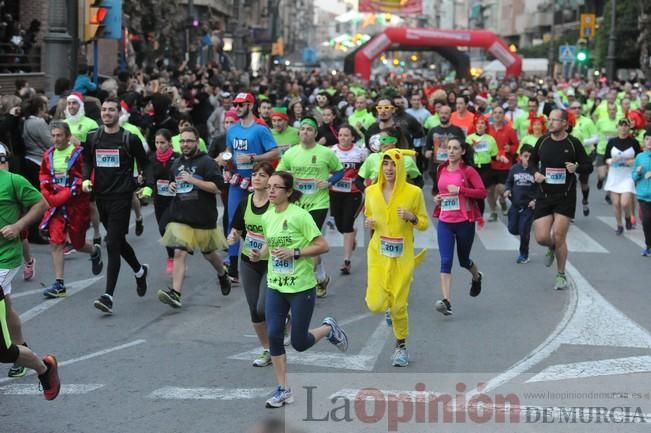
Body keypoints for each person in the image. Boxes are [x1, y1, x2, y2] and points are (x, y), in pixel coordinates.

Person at [250, 171, 348, 408]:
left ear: (288, 192)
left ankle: (328, 328)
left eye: (276, 187)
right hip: (276, 284)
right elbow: (269, 244)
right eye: (269, 186)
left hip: (301, 286)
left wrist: (295, 252)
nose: (270, 190)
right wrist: (259, 254)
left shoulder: (300, 216)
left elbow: (322, 245)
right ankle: (283, 389)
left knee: (299, 343)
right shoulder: (268, 215)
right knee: (274, 335)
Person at [0, 143, 60, 397]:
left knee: (3, 351)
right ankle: (22, 347)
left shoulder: (13, 181)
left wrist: (18, 225)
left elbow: (41, 204)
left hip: (4, 258)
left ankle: (43, 368)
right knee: (7, 303)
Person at [82, 97, 150, 314]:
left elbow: (146, 164)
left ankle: (108, 296)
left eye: (111, 110)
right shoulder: (93, 138)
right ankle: (139, 271)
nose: (107, 113)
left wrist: (145, 184)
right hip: (101, 197)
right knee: (118, 240)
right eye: (104, 109)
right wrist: (85, 178)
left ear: (119, 114)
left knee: (112, 243)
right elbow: (87, 161)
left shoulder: (129, 139)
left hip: (122, 197)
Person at [364, 149, 428, 367]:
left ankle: (401, 347)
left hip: (402, 255)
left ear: (400, 167)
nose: (389, 169)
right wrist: (369, 223)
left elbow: (424, 223)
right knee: (375, 304)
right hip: (378, 253)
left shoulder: (414, 193)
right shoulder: (371, 192)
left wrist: (411, 217)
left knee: (400, 305)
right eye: (385, 164)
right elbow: (368, 215)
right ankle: (389, 309)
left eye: (393, 165)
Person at [157, 127, 231, 308]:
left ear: (197, 142)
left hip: (203, 217)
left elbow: (216, 187)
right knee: (179, 252)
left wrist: (194, 181)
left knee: (209, 255)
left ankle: (223, 274)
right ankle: (176, 294)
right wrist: (173, 187)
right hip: (181, 216)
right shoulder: (176, 164)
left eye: (189, 141)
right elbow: (174, 184)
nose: (185, 145)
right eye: (182, 141)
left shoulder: (207, 162)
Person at [276, 116, 344, 298]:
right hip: (296, 205)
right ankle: (321, 277)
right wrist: (286, 176)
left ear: (315, 133)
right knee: (308, 244)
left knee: (308, 242)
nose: (305, 132)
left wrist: (329, 182)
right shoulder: (290, 154)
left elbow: (340, 171)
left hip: (318, 204)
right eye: (303, 129)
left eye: (309, 129)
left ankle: (302, 282)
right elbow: (279, 173)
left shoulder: (325, 153)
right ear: (299, 133)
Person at [39, 121, 103, 298]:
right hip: (56, 208)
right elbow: (44, 174)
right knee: (57, 242)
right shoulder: (48, 155)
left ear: (67, 136)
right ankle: (59, 283)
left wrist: (70, 192)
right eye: (53, 136)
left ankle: (94, 251)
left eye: (59, 135)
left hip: (76, 206)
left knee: (77, 243)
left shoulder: (79, 154)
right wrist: (46, 190)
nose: (56, 139)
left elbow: (86, 175)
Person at [530, 109, 593, 290]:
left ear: (565, 123)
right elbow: (531, 162)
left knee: (559, 236)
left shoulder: (573, 144)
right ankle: (551, 247)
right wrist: (535, 173)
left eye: (554, 120)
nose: (550, 123)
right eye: (549, 120)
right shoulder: (543, 141)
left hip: (565, 197)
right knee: (542, 237)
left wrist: (577, 167)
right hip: (544, 195)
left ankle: (561, 274)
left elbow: (588, 165)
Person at [220, 92, 279, 284]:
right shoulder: (233, 130)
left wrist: (253, 158)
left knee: (262, 222)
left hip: (258, 182)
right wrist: (226, 157)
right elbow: (230, 150)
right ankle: (233, 266)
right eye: (235, 105)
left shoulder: (260, 129)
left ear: (250, 105)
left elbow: (275, 152)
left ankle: (264, 258)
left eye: (241, 104)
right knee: (233, 220)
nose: (237, 108)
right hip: (238, 181)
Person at [227, 162, 274, 366]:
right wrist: (233, 237)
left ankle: (283, 317)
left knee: (264, 307)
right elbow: (237, 228)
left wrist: (263, 251)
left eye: (262, 175)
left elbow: (282, 235)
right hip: (248, 261)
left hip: (271, 261)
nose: (256, 178)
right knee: (254, 309)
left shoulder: (276, 205)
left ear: (270, 181)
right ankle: (267, 349)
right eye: (254, 174)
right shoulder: (245, 203)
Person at [432, 138, 486, 316]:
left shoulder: (468, 171)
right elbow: (439, 191)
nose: (451, 151)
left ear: (463, 151)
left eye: (455, 148)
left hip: (464, 221)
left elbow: (481, 192)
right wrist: (437, 199)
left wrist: (461, 190)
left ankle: (476, 276)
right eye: (449, 148)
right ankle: (447, 301)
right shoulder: (441, 168)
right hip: (445, 221)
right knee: (446, 261)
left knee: (463, 260)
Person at [330, 124, 367, 274]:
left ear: (352, 137)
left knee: (347, 224)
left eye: (346, 135)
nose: (343, 138)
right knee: (340, 226)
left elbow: (365, 170)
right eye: (341, 135)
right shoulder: (332, 151)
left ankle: (346, 261)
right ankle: (352, 235)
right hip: (335, 192)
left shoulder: (360, 152)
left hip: (353, 193)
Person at [143, 129, 179, 274]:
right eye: (157, 143)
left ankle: (175, 256)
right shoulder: (151, 158)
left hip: (176, 200)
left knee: (167, 227)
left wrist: (174, 182)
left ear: (169, 143)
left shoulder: (177, 158)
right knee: (162, 230)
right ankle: (172, 254)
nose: (159, 145)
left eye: (162, 142)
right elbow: (150, 176)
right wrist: (145, 185)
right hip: (160, 199)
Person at [604, 118, 641, 234]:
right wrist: (611, 160)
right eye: (621, 125)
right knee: (616, 203)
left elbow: (640, 158)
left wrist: (633, 161)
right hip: (614, 175)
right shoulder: (611, 142)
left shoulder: (634, 142)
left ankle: (628, 217)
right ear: (617, 127)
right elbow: (606, 158)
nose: (623, 128)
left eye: (626, 126)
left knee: (624, 202)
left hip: (627, 176)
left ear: (629, 127)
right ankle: (619, 225)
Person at [504, 144, 537, 264]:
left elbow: (541, 188)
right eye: (525, 156)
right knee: (512, 229)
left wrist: (535, 201)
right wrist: (507, 190)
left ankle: (524, 254)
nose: (527, 159)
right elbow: (509, 182)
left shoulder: (535, 171)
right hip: (515, 205)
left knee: (524, 230)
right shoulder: (514, 168)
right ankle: (521, 230)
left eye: (530, 157)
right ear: (520, 156)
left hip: (528, 206)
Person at [569, 102, 599, 216]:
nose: (577, 109)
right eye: (574, 107)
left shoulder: (588, 121)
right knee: (570, 183)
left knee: (584, 181)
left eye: (579, 107)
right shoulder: (567, 122)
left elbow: (596, 138)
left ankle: (585, 200)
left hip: (584, 155)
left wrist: (582, 142)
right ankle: (569, 211)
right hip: (569, 156)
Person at [632, 128, 651, 256]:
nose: (650, 141)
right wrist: (638, 173)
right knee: (646, 221)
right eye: (647, 139)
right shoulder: (640, 157)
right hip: (643, 195)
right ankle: (648, 245)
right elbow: (633, 176)